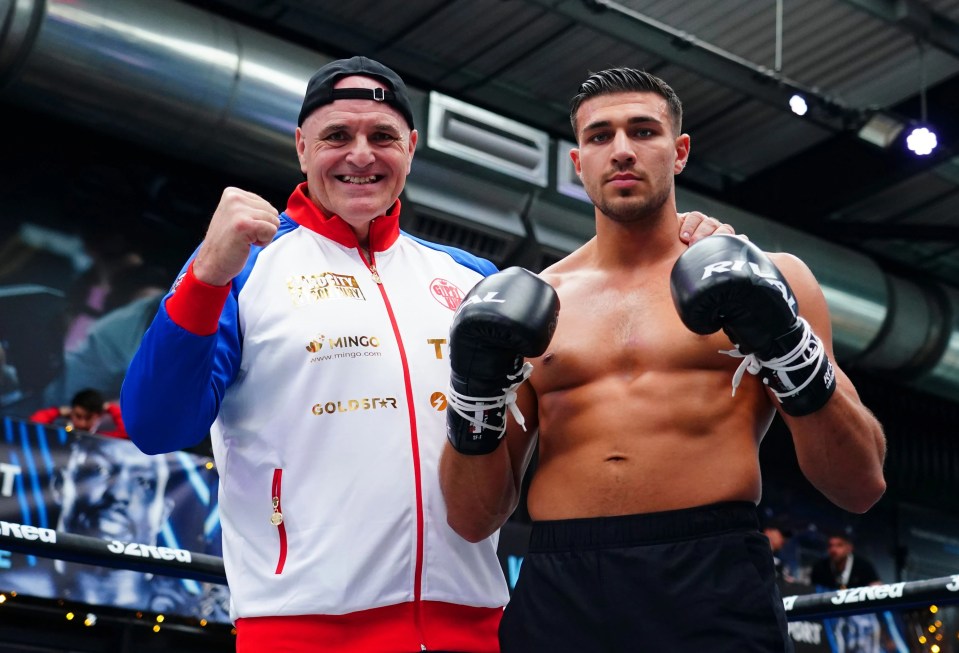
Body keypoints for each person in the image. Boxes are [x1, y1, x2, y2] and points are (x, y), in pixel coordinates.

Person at [119, 56, 733, 652]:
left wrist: (685, 241)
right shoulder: (244, 267)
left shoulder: (471, 279)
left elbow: (586, 385)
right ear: (301, 146)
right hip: (303, 631)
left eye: (381, 136)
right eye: (338, 135)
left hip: (474, 629)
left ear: (411, 147)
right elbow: (155, 425)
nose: (361, 154)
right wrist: (204, 276)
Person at [438, 67, 887, 652]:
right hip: (559, 583)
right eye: (600, 137)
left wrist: (786, 345)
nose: (621, 151)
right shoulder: (537, 304)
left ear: (679, 153)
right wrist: (473, 395)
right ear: (579, 163)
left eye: (642, 131)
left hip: (711, 572)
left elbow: (860, 484)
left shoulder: (772, 277)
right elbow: (473, 519)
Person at [0, 434, 188, 613]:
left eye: (143, 482)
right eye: (100, 470)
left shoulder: (188, 608)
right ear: (60, 485)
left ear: (162, 513)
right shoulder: (11, 584)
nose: (119, 494)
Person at [810, 532, 884, 653]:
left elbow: (878, 588)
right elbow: (811, 593)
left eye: (839, 545)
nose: (833, 549)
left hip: (861, 615)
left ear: (849, 547)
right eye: (830, 545)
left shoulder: (863, 565)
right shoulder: (820, 567)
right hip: (831, 616)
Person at [29, 387, 127, 438]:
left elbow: (127, 432)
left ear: (98, 416)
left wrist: (109, 407)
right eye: (78, 416)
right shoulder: (58, 435)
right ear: (71, 411)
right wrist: (57, 412)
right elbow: (32, 425)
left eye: (88, 418)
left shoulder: (103, 440)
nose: (82, 423)